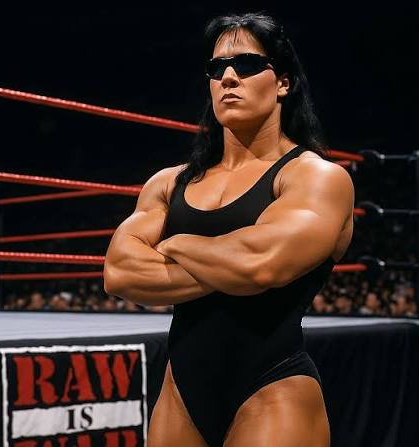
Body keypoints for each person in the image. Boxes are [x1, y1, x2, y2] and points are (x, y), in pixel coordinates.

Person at [104, 12, 354, 447]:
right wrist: (226, 262)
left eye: (248, 64)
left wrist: (174, 242)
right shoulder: (169, 182)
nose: (229, 77)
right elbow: (119, 272)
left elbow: (260, 266)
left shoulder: (315, 177)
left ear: (283, 83)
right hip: (180, 393)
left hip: (273, 386)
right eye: (217, 68)